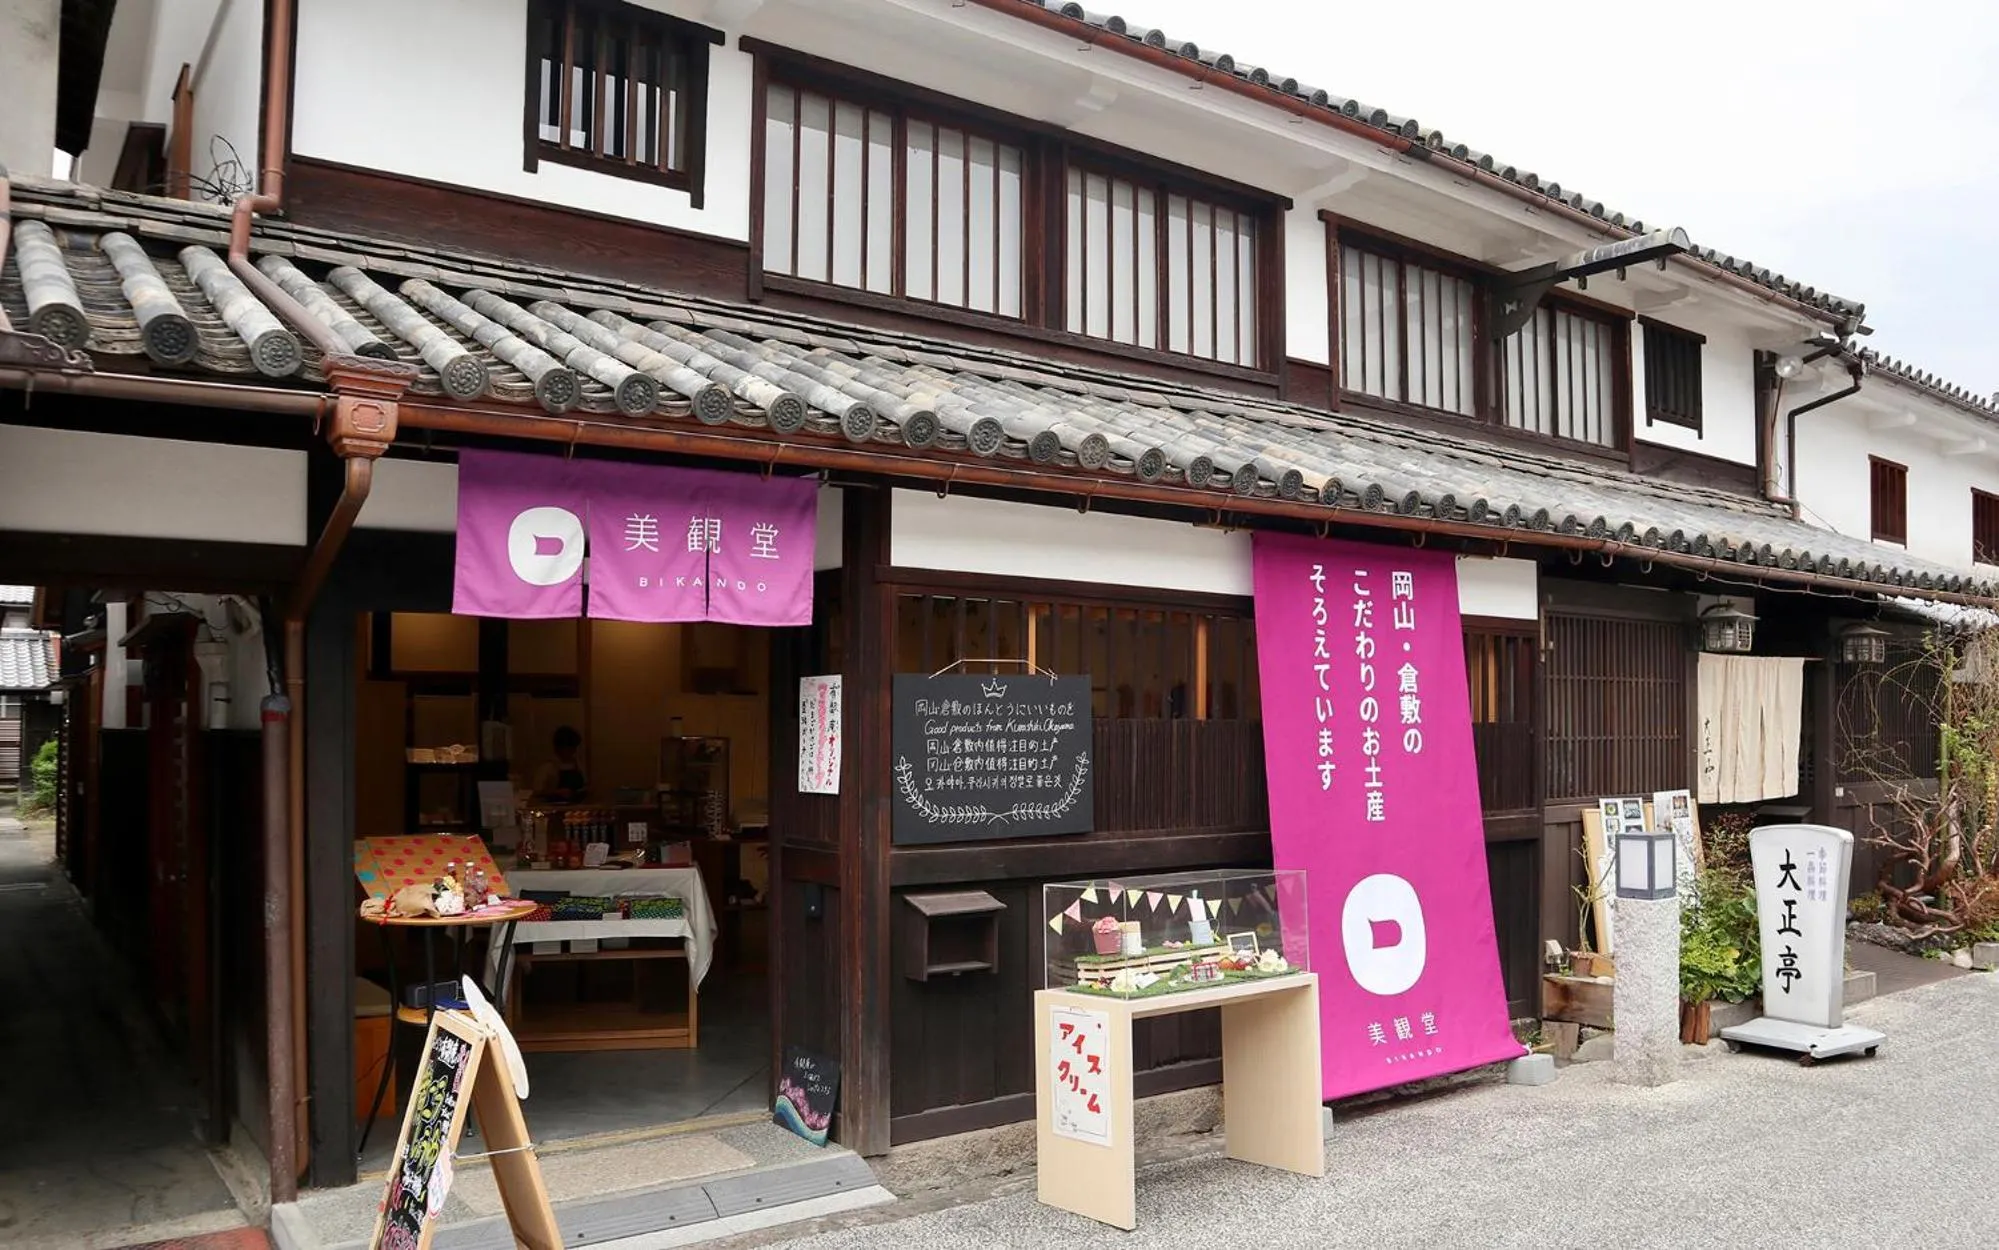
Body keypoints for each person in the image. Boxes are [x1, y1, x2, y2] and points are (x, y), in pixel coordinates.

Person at [533, 725, 587, 801]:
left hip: (576, 808)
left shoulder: (578, 765)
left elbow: (583, 786)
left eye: (573, 748)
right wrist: (555, 792)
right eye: (568, 748)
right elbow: (536, 792)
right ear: (558, 748)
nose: (572, 751)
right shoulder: (547, 768)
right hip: (554, 808)